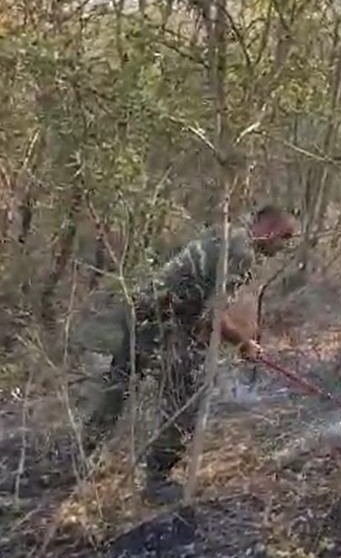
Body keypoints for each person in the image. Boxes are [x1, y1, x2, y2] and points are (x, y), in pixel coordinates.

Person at [81, 204, 297, 504]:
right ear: (269, 230)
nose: (286, 246)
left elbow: (201, 297)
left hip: (145, 311)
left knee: (119, 385)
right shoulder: (241, 252)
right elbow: (214, 314)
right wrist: (244, 344)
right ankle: (156, 482)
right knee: (184, 398)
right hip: (164, 321)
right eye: (286, 237)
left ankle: (84, 454)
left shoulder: (225, 232)